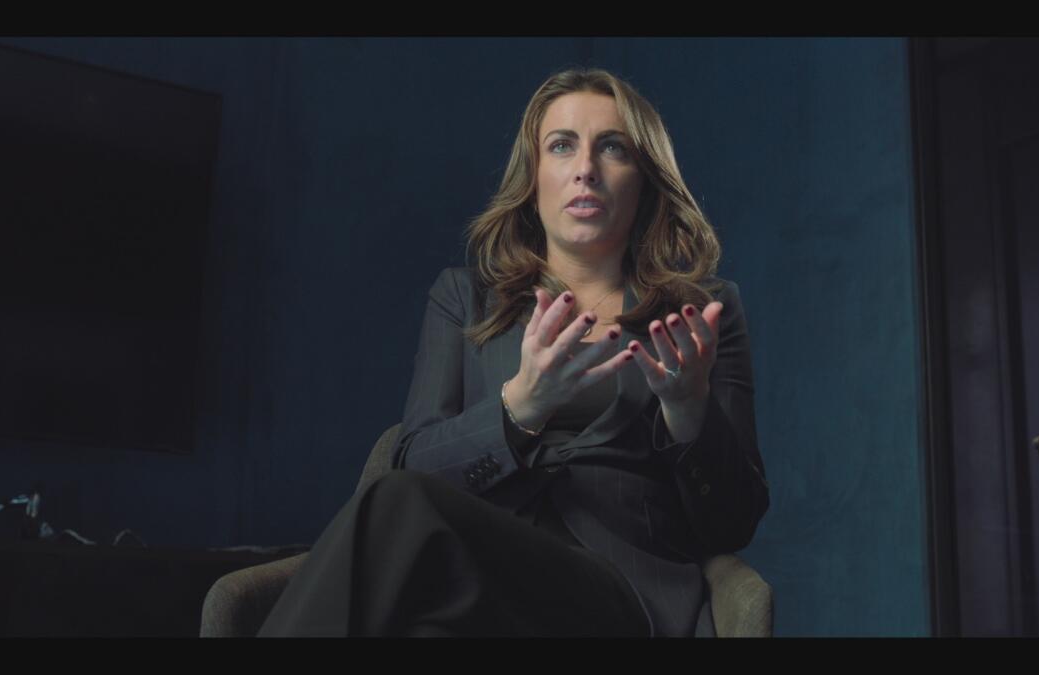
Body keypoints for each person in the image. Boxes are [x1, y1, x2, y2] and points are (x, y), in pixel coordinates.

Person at [258, 68, 769, 638]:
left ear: (644, 178)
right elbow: (412, 465)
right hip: (474, 589)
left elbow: (733, 522)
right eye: (561, 146)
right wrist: (521, 407)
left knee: (399, 515)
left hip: (617, 598)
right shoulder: (464, 297)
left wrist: (688, 411)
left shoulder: (702, 311)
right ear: (534, 177)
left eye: (613, 148)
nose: (585, 170)